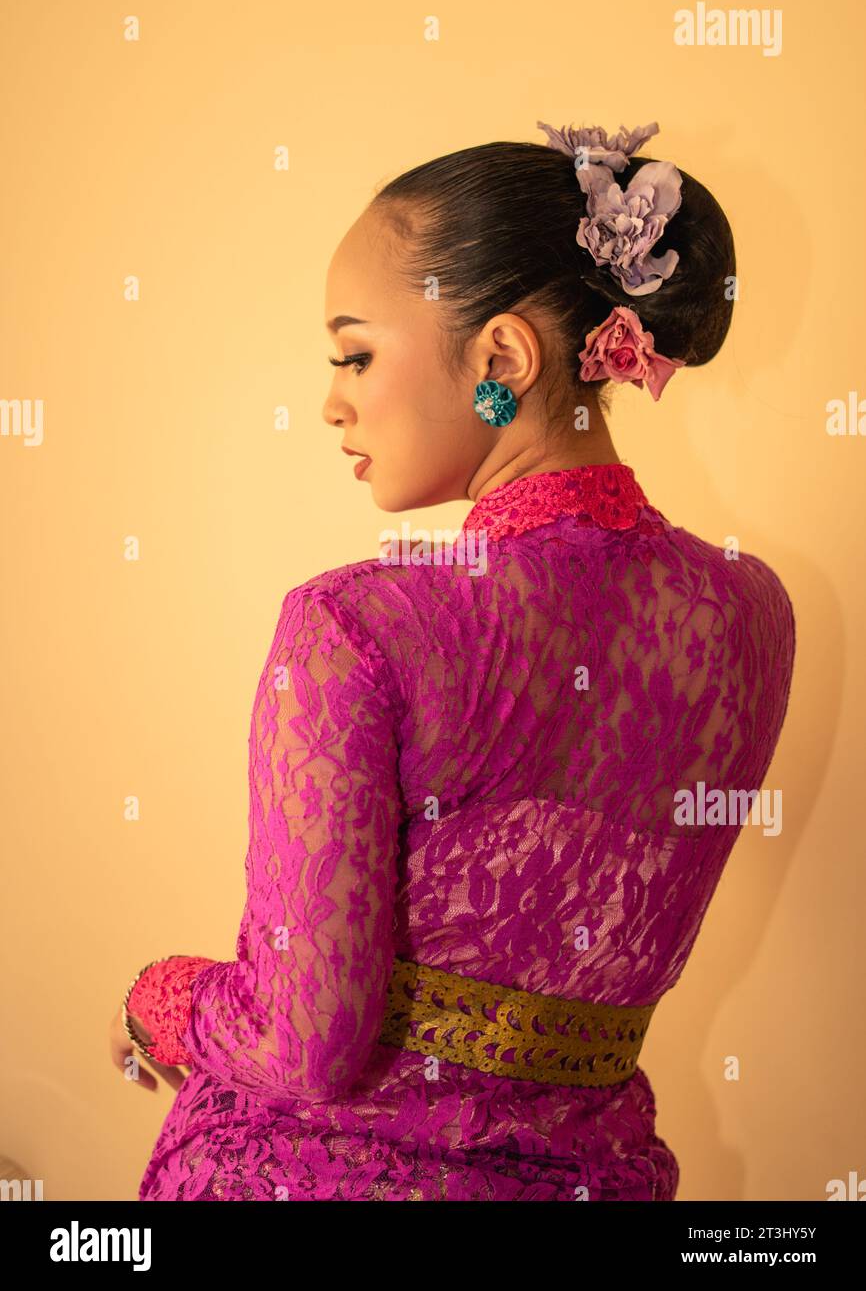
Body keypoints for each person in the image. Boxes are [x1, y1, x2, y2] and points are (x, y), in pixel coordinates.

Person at [109, 120, 796, 1201]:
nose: (332, 399)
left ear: (502, 359)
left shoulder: (355, 627)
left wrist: (158, 996)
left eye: (355, 353)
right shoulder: (752, 612)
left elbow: (304, 1046)